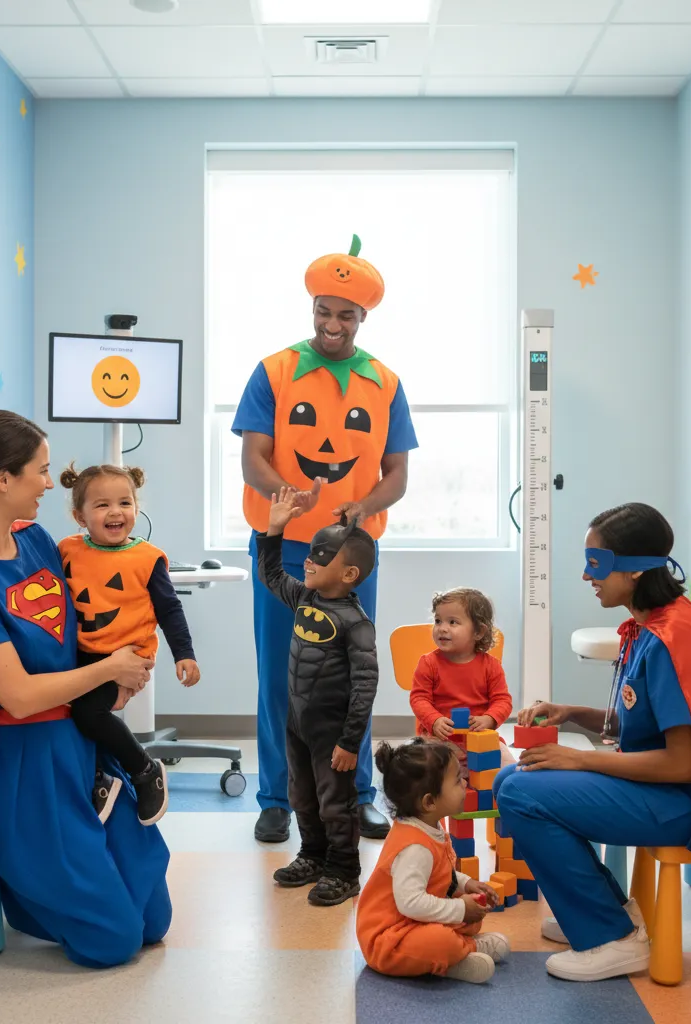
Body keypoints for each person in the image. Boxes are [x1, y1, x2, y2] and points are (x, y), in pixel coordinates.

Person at [0, 410, 172, 969]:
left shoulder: (37, 540)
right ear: (3, 479)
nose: (51, 483)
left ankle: (23, 875)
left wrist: (122, 668)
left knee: (153, 923)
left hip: (77, 742)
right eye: (41, 471)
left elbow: (83, 627)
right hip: (21, 762)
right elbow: (18, 695)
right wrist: (107, 671)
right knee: (111, 943)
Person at [491, 503, 691, 982]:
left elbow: (682, 765)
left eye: (596, 564)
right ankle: (609, 914)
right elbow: (639, 726)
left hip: (689, 804)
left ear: (634, 572)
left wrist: (579, 760)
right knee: (516, 775)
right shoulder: (654, 624)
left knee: (519, 792)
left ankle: (611, 938)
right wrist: (574, 714)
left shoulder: (667, 640)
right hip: (668, 792)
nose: (585, 575)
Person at [233, 234, 418, 843]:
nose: (332, 323)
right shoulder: (275, 372)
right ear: (311, 310)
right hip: (284, 544)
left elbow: (397, 474)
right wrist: (285, 495)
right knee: (280, 675)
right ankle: (278, 799)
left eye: (345, 314)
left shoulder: (385, 383)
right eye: (323, 311)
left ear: (362, 318)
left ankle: (358, 793)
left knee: (349, 672)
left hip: (353, 554)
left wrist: (362, 505)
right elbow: (253, 458)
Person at [58, 462, 201, 826]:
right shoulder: (68, 551)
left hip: (127, 654)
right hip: (82, 653)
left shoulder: (147, 559)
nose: (115, 512)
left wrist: (184, 654)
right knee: (61, 711)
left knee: (88, 713)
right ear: (80, 515)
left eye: (124, 502)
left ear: (136, 509)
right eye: (102, 505)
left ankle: (144, 769)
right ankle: (97, 777)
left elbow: (170, 610)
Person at [259, 487, 378, 906]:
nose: (310, 559)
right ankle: (312, 854)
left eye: (322, 556)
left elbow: (365, 686)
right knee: (302, 797)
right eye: (312, 551)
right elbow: (272, 576)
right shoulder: (306, 597)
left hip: (332, 733)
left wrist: (350, 741)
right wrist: (274, 530)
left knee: (336, 804)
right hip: (298, 723)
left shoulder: (356, 624)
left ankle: (344, 870)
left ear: (348, 575)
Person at [356, 738, 510, 984]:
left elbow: (439, 873)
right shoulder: (414, 847)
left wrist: (466, 884)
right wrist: (460, 909)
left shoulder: (428, 826)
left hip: (412, 923)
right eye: (458, 780)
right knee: (441, 939)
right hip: (388, 940)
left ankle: (459, 946)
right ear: (429, 802)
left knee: (472, 914)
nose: (466, 783)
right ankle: (459, 954)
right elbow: (411, 903)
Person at [409, 589, 513, 756]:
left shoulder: (491, 666)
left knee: (507, 765)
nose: (442, 628)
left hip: (478, 737)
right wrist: (434, 720)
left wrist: (489, 719)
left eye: (452, 622)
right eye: (438, 621)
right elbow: (419, 699)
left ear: (478, 632)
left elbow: (502, 700)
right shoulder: (428, 663)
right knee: (426, 764)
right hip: (439, 739)